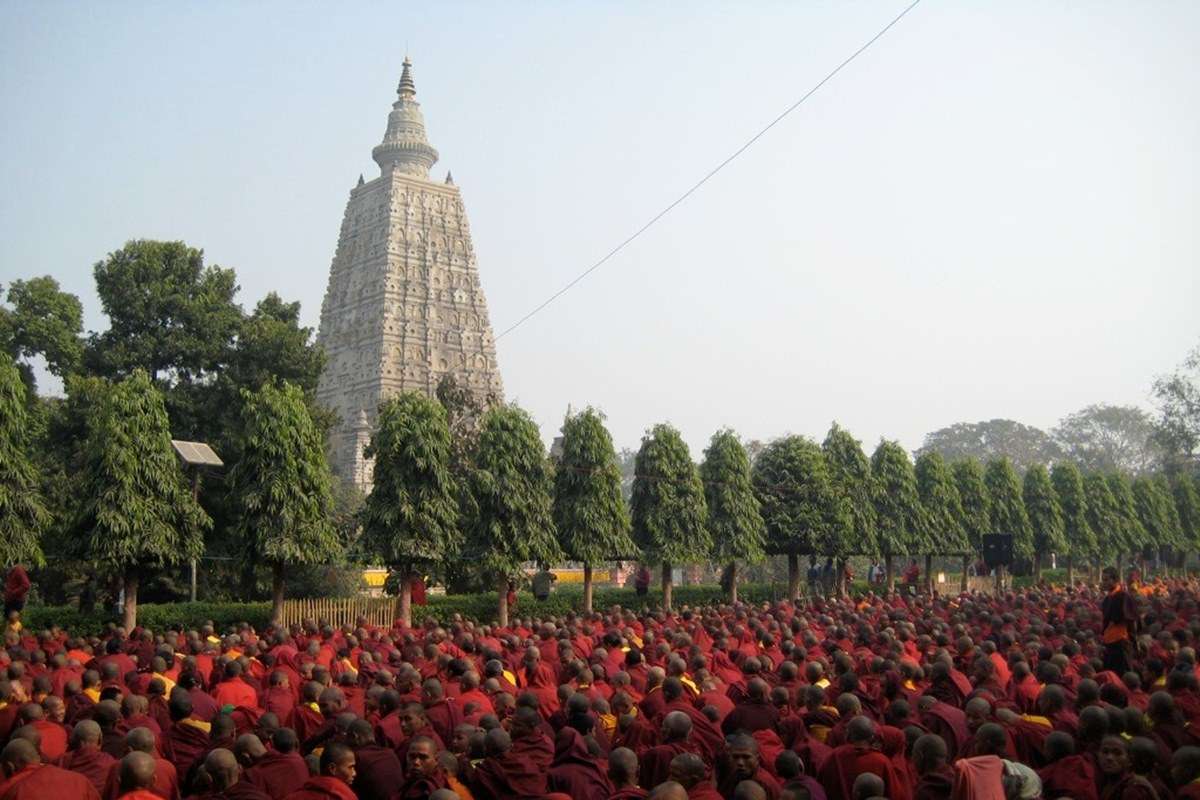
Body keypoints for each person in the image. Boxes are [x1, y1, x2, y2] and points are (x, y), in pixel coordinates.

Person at [281, 741, 357, 800]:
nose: (354, 773)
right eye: (350, 767)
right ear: (332, 769)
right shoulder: (347, 796)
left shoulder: (294, 797)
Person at [1100, 566, 1139, 674]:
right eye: (1103, 579)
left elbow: (1132, 621)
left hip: (1121, 643)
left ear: (1115, 580)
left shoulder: (1123, 597)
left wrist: (1133, 642)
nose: (1104, 582)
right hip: (1109, 642)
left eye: (1106, 580)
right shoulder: (1107, 599)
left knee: (1124, 674)